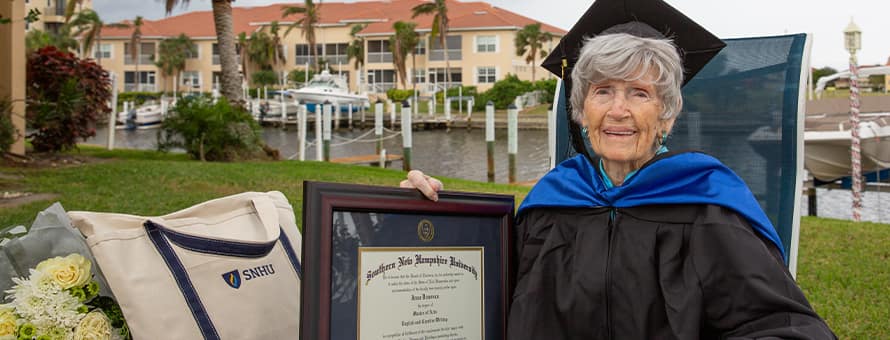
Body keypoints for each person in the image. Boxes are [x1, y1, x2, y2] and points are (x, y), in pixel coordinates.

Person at [402, 0, 836, 338]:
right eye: (602, 91)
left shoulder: (708, 207)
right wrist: (431, 216)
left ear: (666, 114)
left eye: (640, 93)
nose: (619, 110)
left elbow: (787, 328)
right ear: (581, 109)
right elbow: (475, 299)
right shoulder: (549, 206)